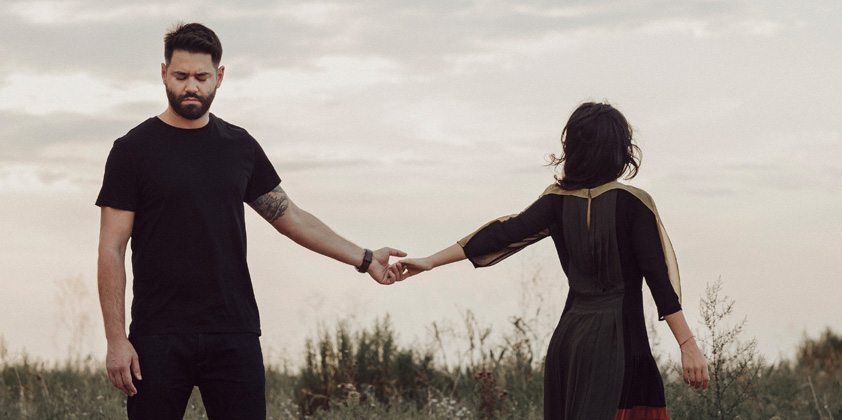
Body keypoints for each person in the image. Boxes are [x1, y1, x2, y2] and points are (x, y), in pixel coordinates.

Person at [95, 22, 403, 419]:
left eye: (202, 77)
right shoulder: (132, 151)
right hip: (158, 335)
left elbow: (290, 217)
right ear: (163, 73)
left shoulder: (238, 146)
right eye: (181, 75)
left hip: (233, 332)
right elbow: (111, 247)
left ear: (219, 78)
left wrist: (363, 257)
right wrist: (116, 339)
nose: (191, 86)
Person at [394, 102, 710, 420]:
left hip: (568, 345)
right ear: (619, 150)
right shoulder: (634, 204)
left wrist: (431, 261)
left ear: (573, 149)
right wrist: (687, 344)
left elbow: (500, 234)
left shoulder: (554, 202)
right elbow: (658, 277)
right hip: (618, 346)